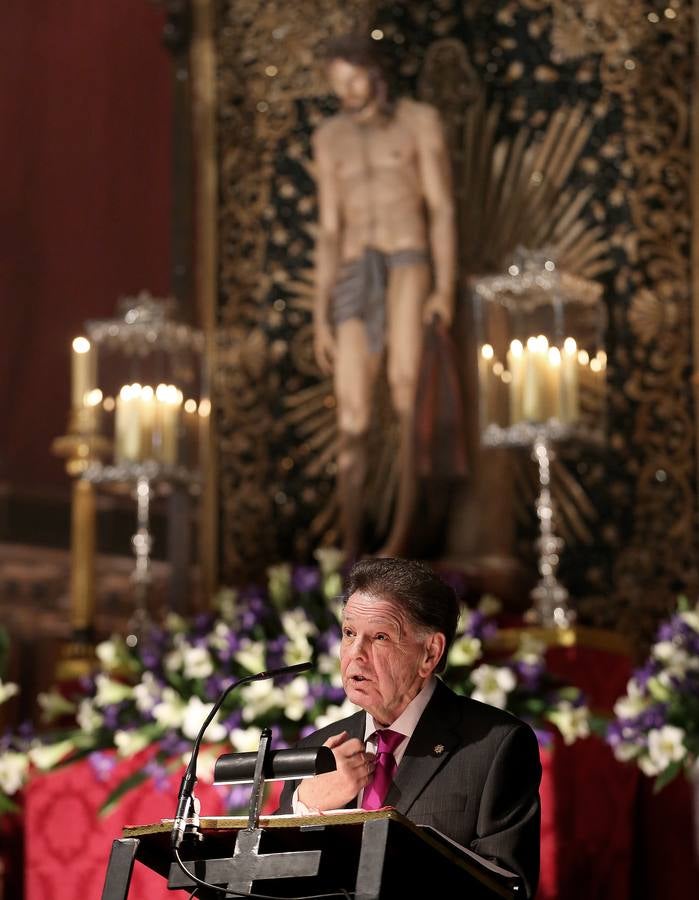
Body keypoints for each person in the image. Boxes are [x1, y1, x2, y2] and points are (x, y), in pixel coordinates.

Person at [277, 557, 541, 898]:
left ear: (430, 653)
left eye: (380, 637)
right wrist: (307, 805)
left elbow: (509, 889)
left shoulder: (495, 746)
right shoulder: (315, 751)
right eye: (349, 633)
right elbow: (270, 877)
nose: (356, 654)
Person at [312, 35, 456, 558]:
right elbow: (328, 229)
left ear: (374, 72)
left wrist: (444, 286)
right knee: (351, 411)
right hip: (353, 267)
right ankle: (352, 546)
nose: (347, 93)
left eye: (353, 79)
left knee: (403, 392)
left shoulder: (419, 121)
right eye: (337, 84)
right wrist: (318, 314)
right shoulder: (329, 137)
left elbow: (440, 207)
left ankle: (401, 539)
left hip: (406, 259)